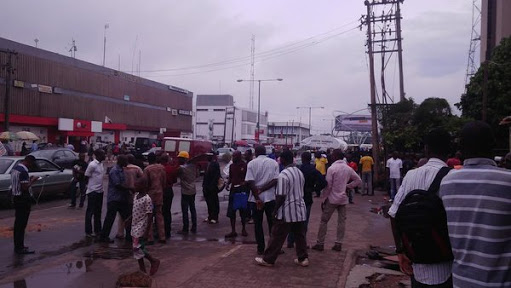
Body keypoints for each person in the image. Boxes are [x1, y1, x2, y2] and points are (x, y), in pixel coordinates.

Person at [439, 121, 511, 287]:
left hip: (461, 282)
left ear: (461, 148)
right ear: (493, 146)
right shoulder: (507, 182)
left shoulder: (447, 182)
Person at [388, 128, 454, 288]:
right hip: (447, 263)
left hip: (416, 260)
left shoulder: (411, 175)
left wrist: (400, 251)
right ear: (450, 150)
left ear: (426, 149)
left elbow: (393, 214)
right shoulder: (453, 177)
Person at [255, 150, 309, 267]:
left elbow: (281, 196)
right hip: (300, 209)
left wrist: (275, 210)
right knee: (300, 235)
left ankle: (268, 259)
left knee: (277, 235)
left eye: (280, 158)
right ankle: (303, 258)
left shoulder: (283, 175)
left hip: (287, 210)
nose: (279, 160)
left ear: (284, 159)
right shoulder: (299, 172)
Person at [312, 149, 361, 252]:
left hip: (332, 198)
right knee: (341, 222)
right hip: (342, 198)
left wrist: (324, 198)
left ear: (334, 156)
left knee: (324, 221)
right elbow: (358, 180)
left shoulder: (332, 168)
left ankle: (320, 243)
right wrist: (347, 186)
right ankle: (338, 243)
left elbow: (328, 186)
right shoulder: (348, 168)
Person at [287, 151, 327, 248]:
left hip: (296, 196)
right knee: (304, 221)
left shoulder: (298, 169)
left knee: (294, 219)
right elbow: (323, 182)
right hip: (307, 196)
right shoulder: (313, 170)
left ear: (303, 158)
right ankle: (301, 242)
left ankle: (290, 241)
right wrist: (314, 189)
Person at [245, 145, 280, 255]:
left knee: (258, 224)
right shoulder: (274, 163)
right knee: (272, 224)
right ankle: (273, 247)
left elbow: (250, 181)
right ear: (265, 152)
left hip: (256, 199)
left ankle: (260, 248)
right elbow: (275, 180)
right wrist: (263, 189)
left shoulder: (251, 163)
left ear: (255, 152)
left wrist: (257, 197)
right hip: (270, 197)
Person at [99, 155, 134, 243]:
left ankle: (130, 236)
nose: (127, 163)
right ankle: (103, 237)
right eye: (125, 161)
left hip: (121, 198)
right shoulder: (114, 171)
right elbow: (117, 185)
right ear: (121, 161)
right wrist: (129, 189)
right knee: (110, 218)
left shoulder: (121, 170)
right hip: (114, 199)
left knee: (127, 217)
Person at [131, 176, 160, 276]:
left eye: (137, 185)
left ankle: (153, 261)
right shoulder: (136, 195)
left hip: (141, 227)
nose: (135, 187)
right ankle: (142, 270)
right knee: (137, 249)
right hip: (134, 226)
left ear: (143, 186)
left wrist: (147, 231)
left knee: (137, 248)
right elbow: (136, 209)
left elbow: (150, 215)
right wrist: (128, 218)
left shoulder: (147, 199)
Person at [10, 155, 38, 254]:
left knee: (18, 223)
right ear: (29, 162)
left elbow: (18, 182)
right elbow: (25, 187)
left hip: (16, 198)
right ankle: (19, 248)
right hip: (22, 199)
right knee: (21, 224)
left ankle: (19, 246)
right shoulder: (23, 171)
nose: (31, 166)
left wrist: (28, 179)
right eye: (31, 164)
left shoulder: (15, 169)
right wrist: (33, 181)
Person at [116, 154, 143, 239]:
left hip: (123, 193)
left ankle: (120, 233)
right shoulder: (137, 168)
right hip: (134, 193)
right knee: (133, 214)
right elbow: (142, 179)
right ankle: (132, 233)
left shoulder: (122, 168)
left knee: (121, 215)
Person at [143, 153, 167, 244]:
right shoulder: (161, 168)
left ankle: (150, 238)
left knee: (149, 216)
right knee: (159, 215)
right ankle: (162, 236)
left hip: (150, 194)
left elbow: (145, 183)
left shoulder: (147, 169)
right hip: (159, 193)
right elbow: (164, 182)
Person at [225, 151, 248, 238]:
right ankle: (233, 230)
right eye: (232, 156)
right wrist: (227, 184)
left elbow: (248, 177)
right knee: (232, 211)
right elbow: (230, 177)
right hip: (233, 190)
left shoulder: (244, 165)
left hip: (241, 190)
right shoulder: (231, 166)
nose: (233, 157)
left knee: (242, 211)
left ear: (239, 156)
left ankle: (243, 229)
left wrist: (244, 183)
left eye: (234, 156)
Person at [84, 149, 106, 237]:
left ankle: (98, 230)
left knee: (98, 212)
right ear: (98, 155)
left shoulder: (101, 164)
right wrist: (88, 187)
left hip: (100, 191)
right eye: (103, 154)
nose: (104, 156)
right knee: (90, 212)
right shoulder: (92, 165)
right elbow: (86, 176)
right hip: (93, 191)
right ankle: (88, 231)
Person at [176, 151, 197, 234]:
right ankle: (194, 227)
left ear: (183, 159)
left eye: (180, 158)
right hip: (193, 190)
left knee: (185, 210)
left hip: (185, 191)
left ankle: (185, 228)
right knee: (192, 209)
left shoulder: (181, 168)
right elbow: (197, 175)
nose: (178, 160)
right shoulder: (193, 167)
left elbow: (177, 174)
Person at [161, 154, 178, 239]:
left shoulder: (160, 169)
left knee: (160, 212)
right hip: (169, 190)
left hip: (161, 190)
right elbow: (175, 180)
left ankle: (160, 230)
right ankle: (168, 230)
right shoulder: (171, 169)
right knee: (167, 211)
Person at [203, 152, 221, 224]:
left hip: (213, 187)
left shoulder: (215, 164)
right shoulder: (208, 164)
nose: (207, 157)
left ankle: (215, 217)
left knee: (214, 202)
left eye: (209, 156)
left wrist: (212, 185)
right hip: (206, 186)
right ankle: (210, 216)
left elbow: (217, 176)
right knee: (209, 202)